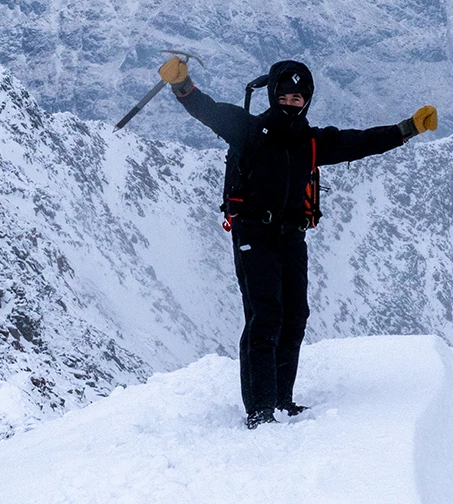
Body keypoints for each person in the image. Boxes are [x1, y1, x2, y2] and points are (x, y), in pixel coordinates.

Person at [159, 55, 437, 428]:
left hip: (291, 236)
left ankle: (281, 401)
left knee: (294, 316)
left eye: (299, 98)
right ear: (273, 96)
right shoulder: (249, 130)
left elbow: (361, 142)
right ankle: (260, 409)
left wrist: (407, 128)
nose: (292, 103)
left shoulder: (311, 141)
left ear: (307, 100)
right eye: (285, 97)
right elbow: (206, 110)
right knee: (265, 316)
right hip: (253, 233)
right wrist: (182, 86)